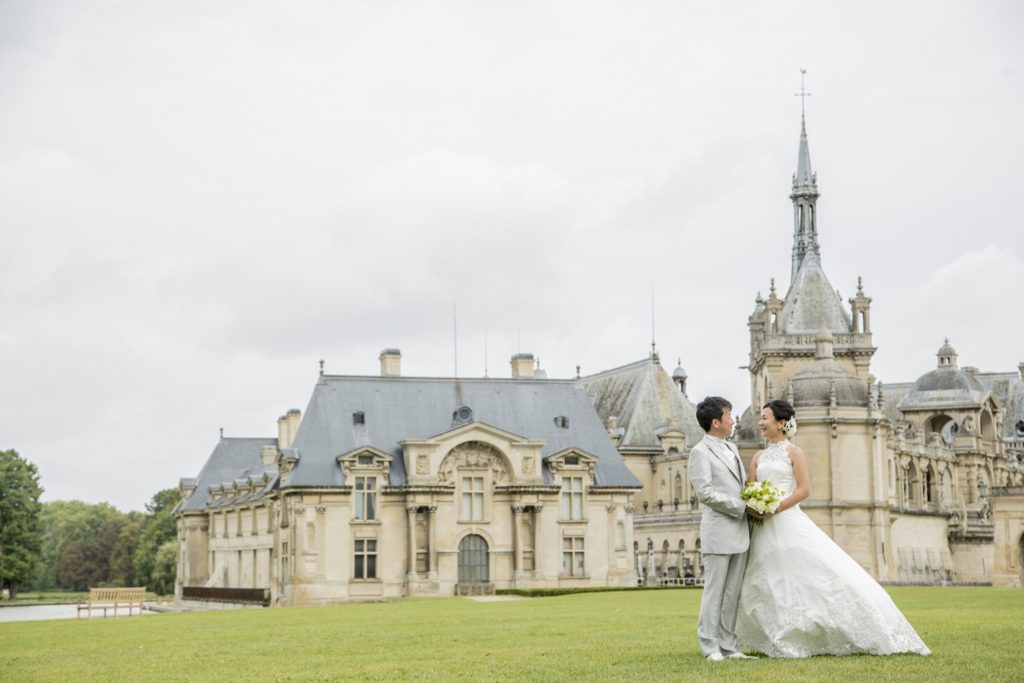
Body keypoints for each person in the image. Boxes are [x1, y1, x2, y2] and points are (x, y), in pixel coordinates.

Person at [735, 399, 931, 657]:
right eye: (760, 418)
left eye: (764, 418)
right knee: (769, 578)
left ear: (781, 423)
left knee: (806, 572)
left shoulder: (794, 452)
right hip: (763, 527)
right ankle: (778, 635)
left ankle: (816, 630)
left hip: (786, 519)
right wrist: (754, 506)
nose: (760, 422)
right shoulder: (758, 457)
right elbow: (750, 489)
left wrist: (776, 507)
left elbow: (804, 490)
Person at [687, 396, 757, 661]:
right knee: (714, 592)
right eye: (729, 415)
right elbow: (705, 493)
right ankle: (710, 646)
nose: (732, 420)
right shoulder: (699, 452)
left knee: (732, 594)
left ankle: (728, 646)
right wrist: (741, 506)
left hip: (740, 530)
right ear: (716, 422)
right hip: (718, 531)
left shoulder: (733, 448)